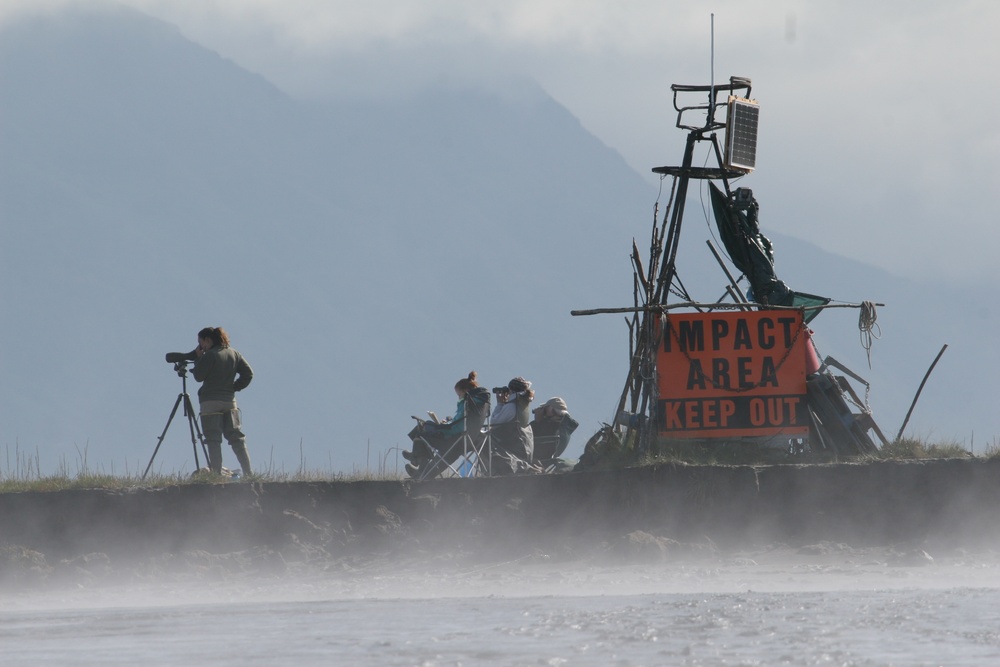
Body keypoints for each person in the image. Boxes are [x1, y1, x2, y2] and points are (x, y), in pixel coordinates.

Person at [403, 371, 491, 479]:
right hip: (469, 440)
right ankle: (421, 471)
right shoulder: (479, 403)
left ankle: (418, 462)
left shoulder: (467, 403)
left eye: (459, 394)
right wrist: (448, 423)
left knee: (421, 432)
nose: (459, 398)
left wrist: (441, 428)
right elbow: (461, 422)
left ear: (465, 391)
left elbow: (457, 427)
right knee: (444, 451)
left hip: (456, 440)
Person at [192, 326, 253, 477]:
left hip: (210, 401)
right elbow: (248, 374)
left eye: (201, 343)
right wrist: (234, 387)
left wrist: (198, 358)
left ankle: (216, 474)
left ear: (207, 340)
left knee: (213, 438)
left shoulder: (209, 356)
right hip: (229, 401)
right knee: (236, 437)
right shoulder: (234, 353)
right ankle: (248, 472)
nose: (202, 347)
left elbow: (199, 376)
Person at [489, 377, 535, 474]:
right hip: (523, 444)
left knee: (480, 439)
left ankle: (490, 471)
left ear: (511, 390)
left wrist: (500, 404)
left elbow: (494, 422)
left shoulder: (511, 406)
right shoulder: (522, 404)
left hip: (510, 444)